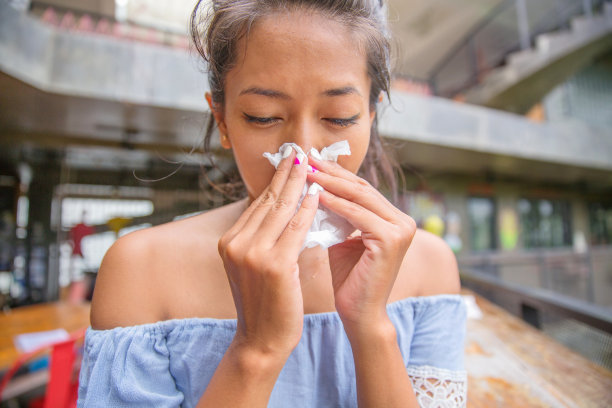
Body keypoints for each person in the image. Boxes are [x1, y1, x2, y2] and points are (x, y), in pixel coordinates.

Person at [77, 1, 467, 407]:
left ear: (371, 113)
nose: (303, 152)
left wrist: (372, 329)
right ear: (223, 120)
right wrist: (255, 350)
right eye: (263, 117)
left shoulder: (429, 266)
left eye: (339, 117)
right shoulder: (141, 270)